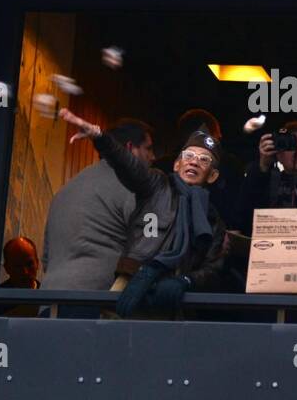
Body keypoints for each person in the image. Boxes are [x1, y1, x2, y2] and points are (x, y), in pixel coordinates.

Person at [60, 110, 227, 318]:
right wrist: (100, 137)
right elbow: (129, 166)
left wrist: (186, 281)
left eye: (204, 159)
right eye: (189, 156)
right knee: (113, 341)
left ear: (212, 175)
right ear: (177, 164)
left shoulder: (212, 220)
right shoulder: (157, 184)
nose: (194, 162)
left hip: (172, 296)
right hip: (134, 281)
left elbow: (213, 269)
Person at [40, 120, 155, 302]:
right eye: (148, 149)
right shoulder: (134, 188)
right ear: (131, 148)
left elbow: (46, 258)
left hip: (49, 299)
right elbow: (150, 250)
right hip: (98, 305)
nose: (153, 157)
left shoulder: (65, 190)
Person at [237, 120, 297, 228]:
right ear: (279, 155)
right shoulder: (269, 183)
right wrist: (263, 166)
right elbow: (244, 215)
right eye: (291, 146)